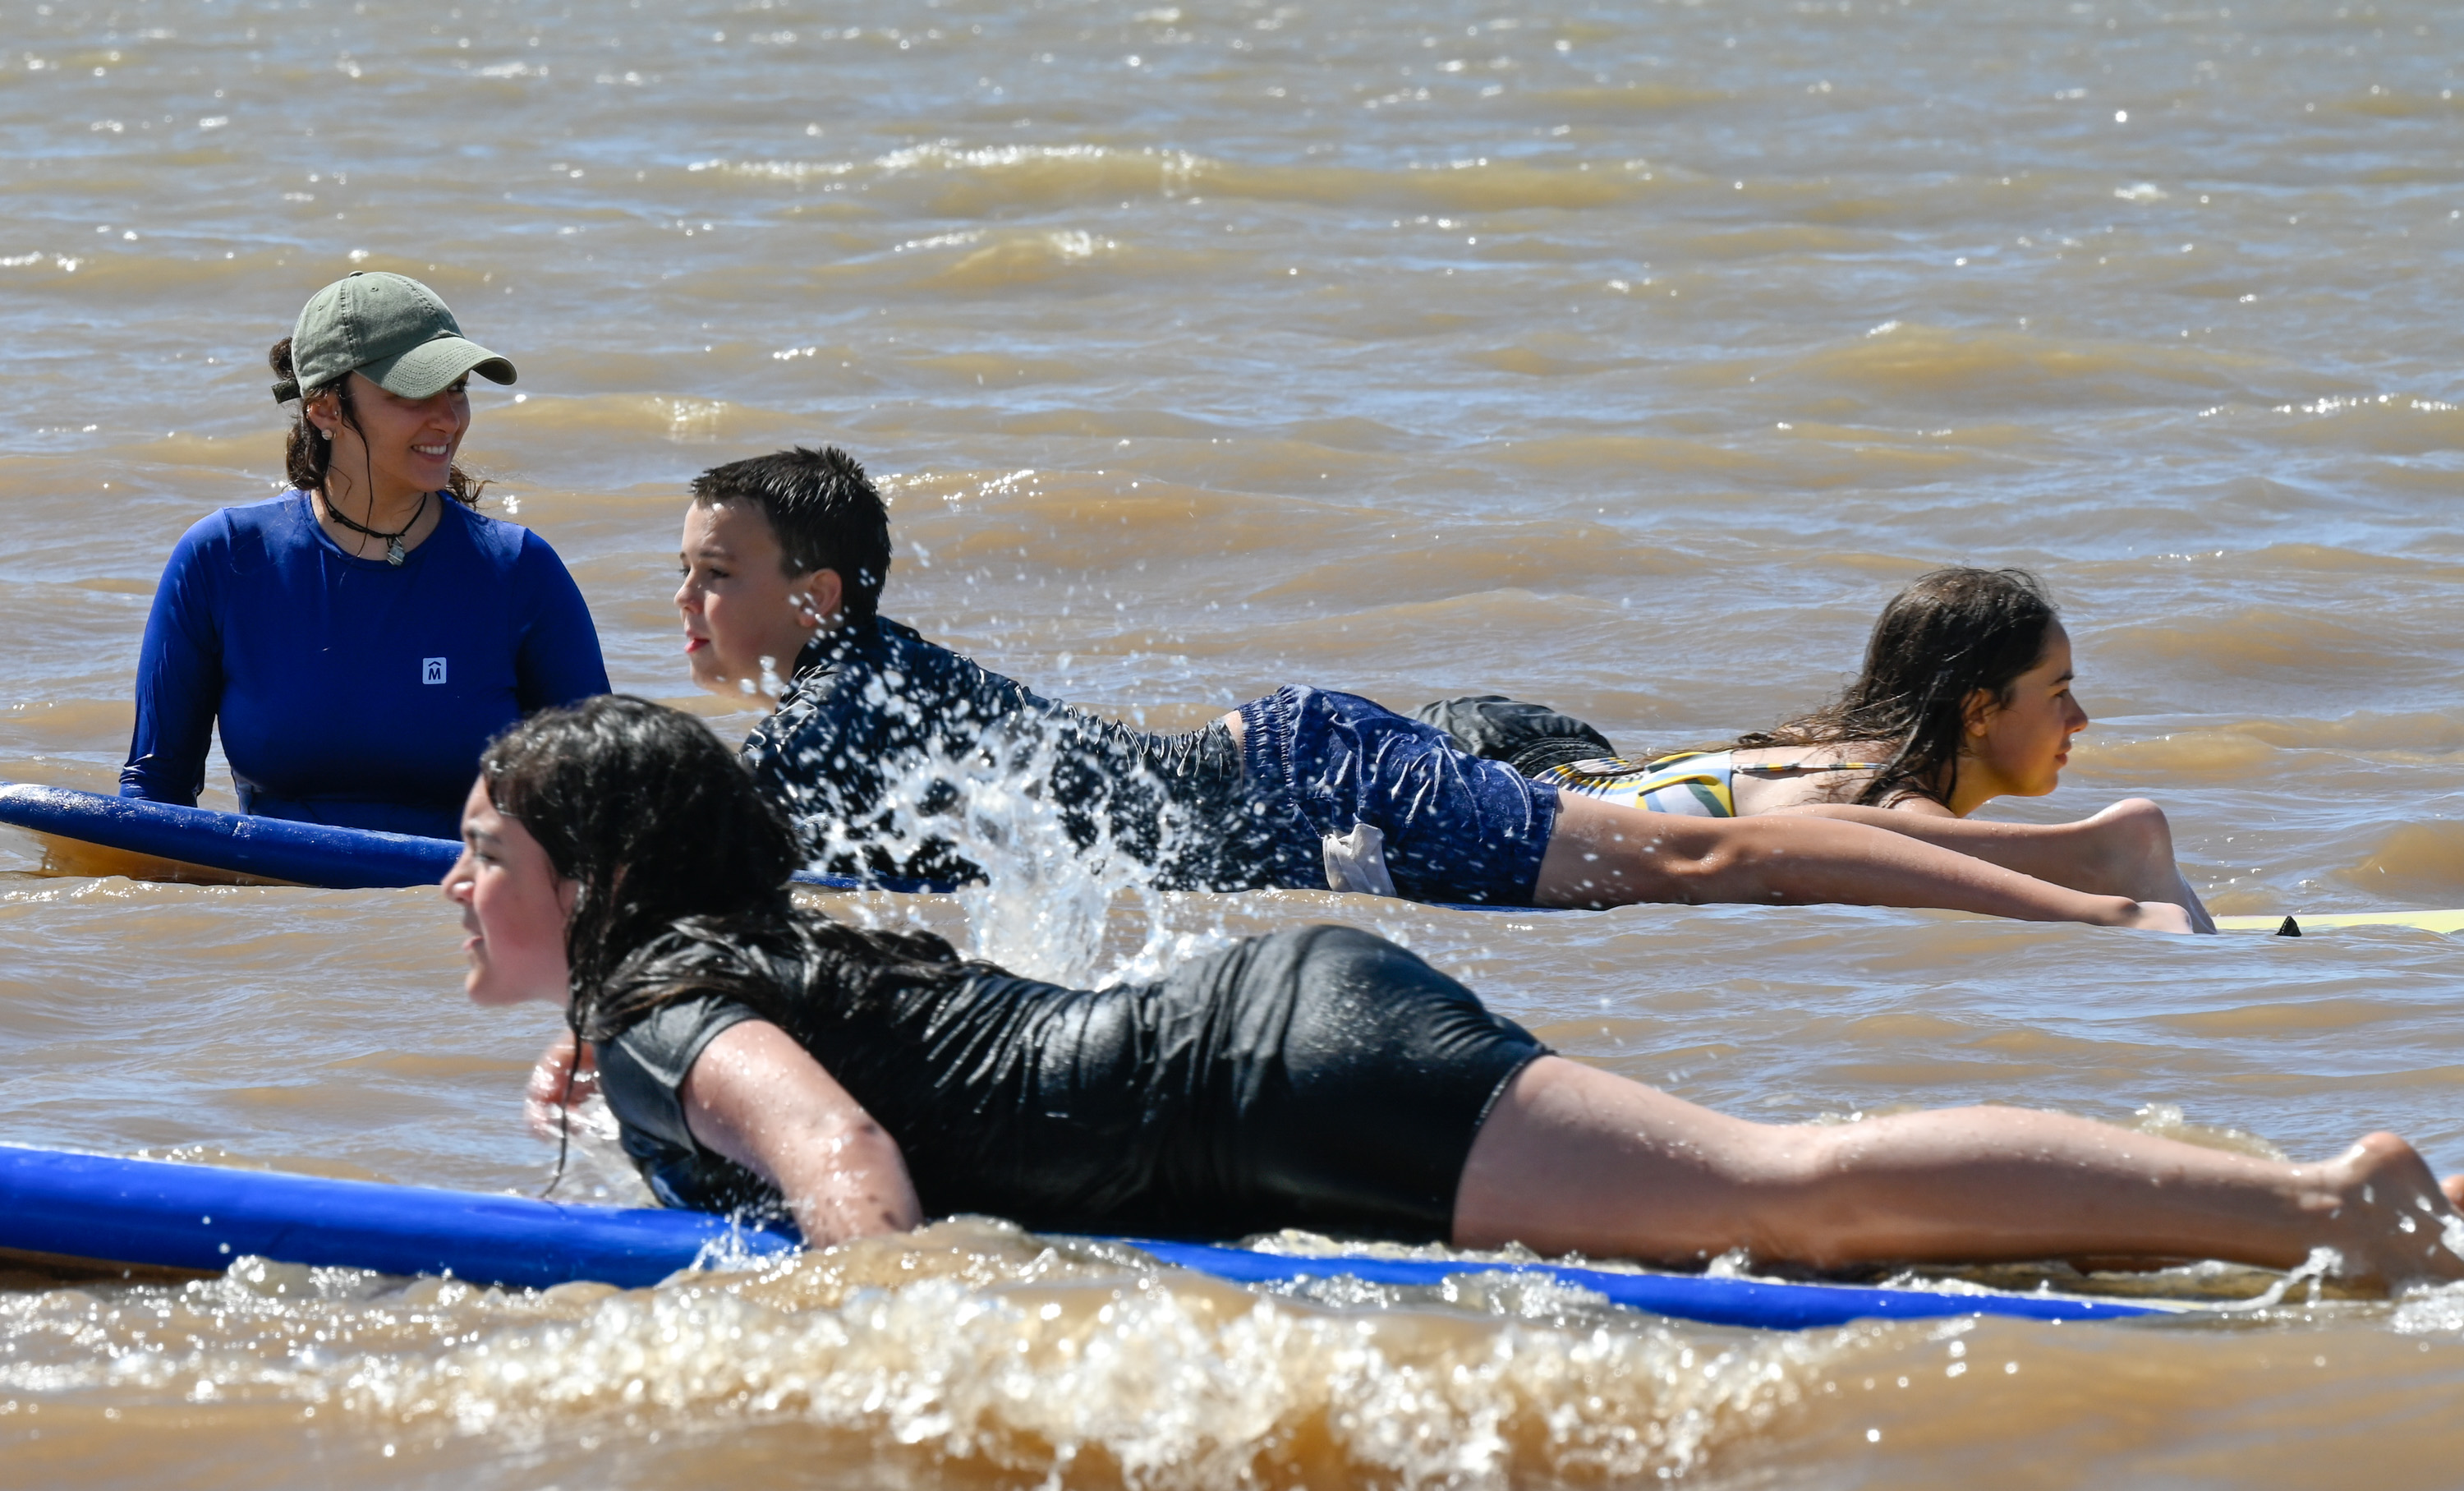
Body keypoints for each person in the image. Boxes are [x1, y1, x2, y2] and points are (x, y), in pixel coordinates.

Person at [444, 694, 2464, 1286]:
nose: (456, 880)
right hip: (1282, 1032)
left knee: (1795, 1194)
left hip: (1297, 1087)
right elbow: (891, 1057)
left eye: (484, 846)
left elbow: (856, 1166)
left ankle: (2320, 1201)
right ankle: (2260, 1207)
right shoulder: (690, 985)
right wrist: (629, 1076)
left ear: (602, 880)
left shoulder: (670, 1008)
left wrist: (861, 1380)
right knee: (1796, 1202)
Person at [682, 446, 2190, 931]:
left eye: (714, 576)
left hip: (1319, 784)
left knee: (1707, 860)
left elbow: (701, 847)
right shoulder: (864, 680)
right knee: (1705, 852)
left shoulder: (836, 705)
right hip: (1311, 766)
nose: (685, 607)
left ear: (814, 596)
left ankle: (2094, 871)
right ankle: (2086, 864)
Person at [1417, 567, 2213, 929]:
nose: (2079, 717)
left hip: (1539, 748)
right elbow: (1914, 854)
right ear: (1978, 709)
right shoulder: (1872, 797)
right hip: (1500, 786)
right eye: (2058, 690)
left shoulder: (1853, 752)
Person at [118, 271, 609, 838]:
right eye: (414, 393)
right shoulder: (224, 558)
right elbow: (154, 793)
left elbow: (601, 799)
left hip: (453, 914)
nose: (448, 419)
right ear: (325, 409)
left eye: (458, 389)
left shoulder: (519, 571)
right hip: (283, 916)